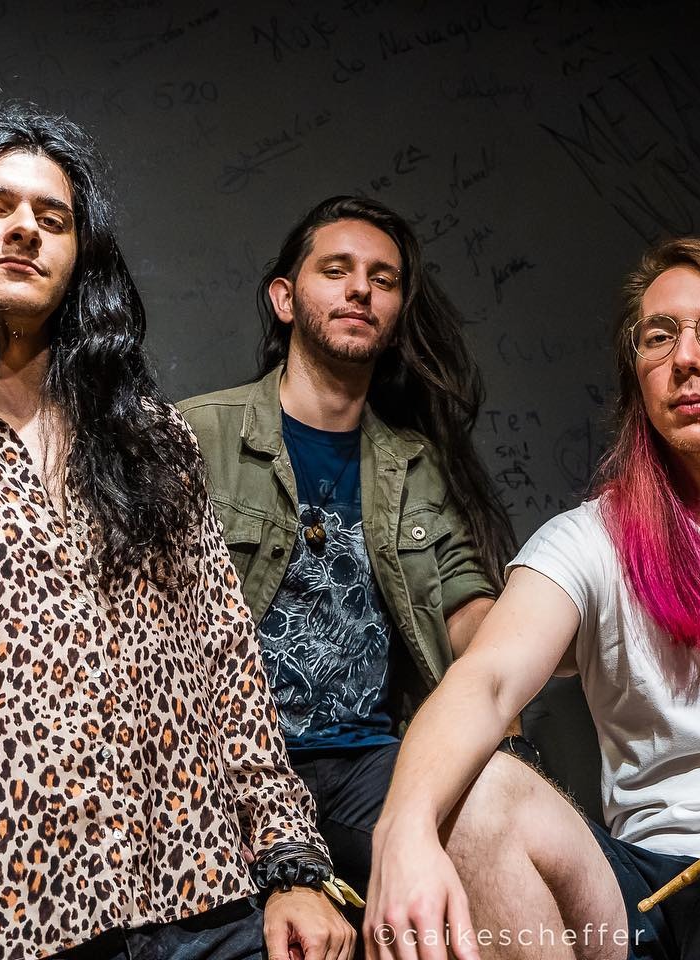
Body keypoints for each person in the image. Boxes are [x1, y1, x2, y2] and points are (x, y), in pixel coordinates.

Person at [0, 99, 353, 960]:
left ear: (80, 256)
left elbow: (227, 665)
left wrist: (292, 864)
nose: (25, 229)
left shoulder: (151, 443)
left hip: (199, 901)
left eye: (52, 219)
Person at [365, 238, 700, 960]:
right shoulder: (590, 538)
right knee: (479, 794)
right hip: (651, 897)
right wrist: (403, 829)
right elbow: (487, 679)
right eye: (658, 337)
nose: (685, 359)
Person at [178, 196, 516, 912]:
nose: (361, 289)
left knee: (508, 823)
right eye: (336, 270)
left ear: (394, 315)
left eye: (382, 279)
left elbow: (466, 607)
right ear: (285, 299)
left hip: (369, 764)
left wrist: (518, 712)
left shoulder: (414, 462)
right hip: (228, 770)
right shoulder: (194, 436)